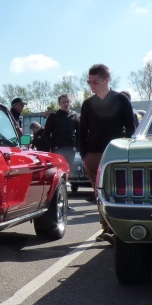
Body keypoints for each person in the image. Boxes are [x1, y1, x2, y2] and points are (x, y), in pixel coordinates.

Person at [77, 63, 136, 243]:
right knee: (99, 194)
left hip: (116, 153)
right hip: (93, 154)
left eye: (95, 82)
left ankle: (120, 228)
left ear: (106, 80)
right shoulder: (88, 104)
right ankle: (106, 229)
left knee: (117, 192)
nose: (91, 85)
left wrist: (126, 149)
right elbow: (81, 131)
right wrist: (84, 154)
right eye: (89, 82)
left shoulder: (121, 100)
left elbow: (131, 127)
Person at [42, 94, 78, 168]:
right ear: (59, 104)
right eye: (63, 102)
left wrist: (76, 146)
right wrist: (53, 147)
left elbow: (80, 132)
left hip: (70, 149)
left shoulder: (74, 115)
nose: (66, 104)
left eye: (67, 102)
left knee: (69, 170)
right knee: (59, 171)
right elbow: (46, 134)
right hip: (58, 150)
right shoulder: (53, 116)